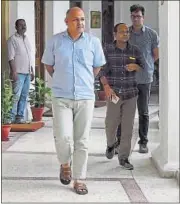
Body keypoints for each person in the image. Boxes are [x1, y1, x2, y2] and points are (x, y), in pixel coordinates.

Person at [41, 7, 106, 195]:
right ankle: (64, 164)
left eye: (83, 20)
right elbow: (49, 65)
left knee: (82, 140)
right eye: (76, 20)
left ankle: (79, 179)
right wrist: (64, 79)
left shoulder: (93, 42)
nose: (81, 23)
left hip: (85, 97)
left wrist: (83, 82)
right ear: (67, 22)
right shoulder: (55, 41)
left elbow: (96, 67)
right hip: (61, 96)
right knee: (63, 137)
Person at [98, 23, 145, 170]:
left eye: (127, 32)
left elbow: (143, 65)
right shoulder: (107, 50)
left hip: (131, 94)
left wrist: (136, 67)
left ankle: (124, 157)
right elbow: (101, 71)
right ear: (115, 34)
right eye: (122, 32)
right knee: (110, 123)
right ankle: (111, 144)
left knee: (127, 127)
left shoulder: (134, 50)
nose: (125, 34)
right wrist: (106, 86)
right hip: (114, 93)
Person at [116, 4, 159, 154]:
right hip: (127, 79)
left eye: (138, 16)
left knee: (143, 111)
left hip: (144, 79)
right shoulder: (125, 33)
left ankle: (143, 142)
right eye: (133, 16)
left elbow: (155, 54)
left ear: (143, 17)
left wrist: (145, 66)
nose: (136, 19)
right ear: (131, 17)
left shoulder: (152, 34)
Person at [7, 19, 35, 124]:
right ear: (16, 27)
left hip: (27, 72)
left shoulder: (26, 39)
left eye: (24, 25)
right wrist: (13, 72)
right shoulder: (12, 39)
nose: (23, 27)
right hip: (18, 72)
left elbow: (29, 56)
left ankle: (19, 117)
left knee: (24, 95)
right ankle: (10, 118)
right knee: (16, 96)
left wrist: (31, 70)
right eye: (20, 25)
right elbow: (11, 57)